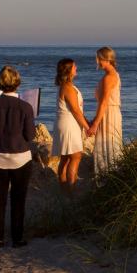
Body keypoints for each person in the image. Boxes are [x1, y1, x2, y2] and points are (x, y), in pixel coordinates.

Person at [0, 65, 34, 248]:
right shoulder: (26, 107)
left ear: (0, 83)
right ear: (17, 83)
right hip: (21, 157)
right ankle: (17, 238)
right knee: (18, 200)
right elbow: (30, 136)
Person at [51, 58, 90, 192]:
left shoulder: (67, 86)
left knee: (66, 158)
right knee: (75, 156)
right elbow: (75, 110)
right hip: (69, 124)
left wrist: (86, 122)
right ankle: (70, 189)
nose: (76, 68)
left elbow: (78, 109)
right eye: (74, 66)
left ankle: (64, 188)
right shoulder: (67, 87)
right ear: (69, 70)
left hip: (67, 123)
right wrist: (88, 127)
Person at [87, 46, 122, 176]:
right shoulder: (112, 75)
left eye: (99, 58)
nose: (97, 61)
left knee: (107, 146)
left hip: (109, 114)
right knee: (109, 146)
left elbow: (104, 102)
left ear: (107, 59)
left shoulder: (109, 77)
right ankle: (108, 176)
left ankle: (106, 178)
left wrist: (95, 124)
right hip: (109, 113)